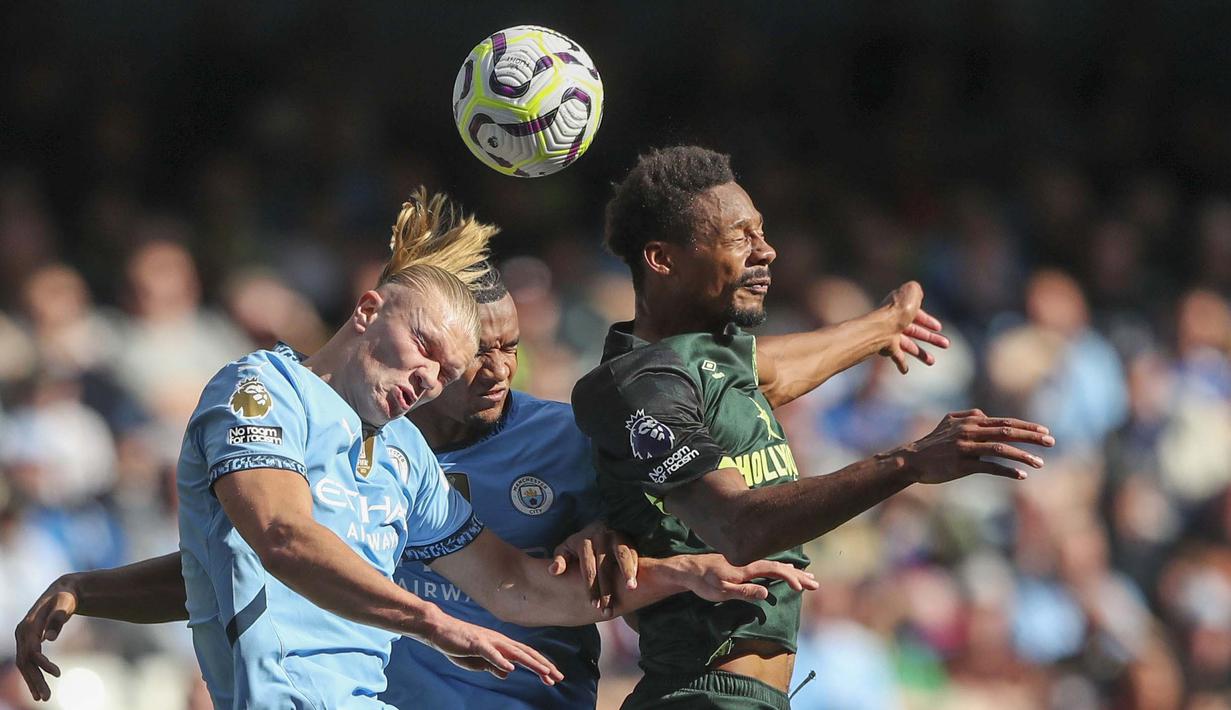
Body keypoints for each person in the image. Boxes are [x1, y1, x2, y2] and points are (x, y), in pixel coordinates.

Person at [14, 190, 816, 710]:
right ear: (368, 309)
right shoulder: (261, 390)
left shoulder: (405, 460)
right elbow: (279, 540)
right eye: (425, 349)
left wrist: (684, 572)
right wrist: (436, 623)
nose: (427, 379)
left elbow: (515, 586)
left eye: (444, 370)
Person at [570, 146, 1056, 709]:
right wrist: (909, 462)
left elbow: (781, 368)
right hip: (700, 695)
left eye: (763, 232)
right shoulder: (638, 385)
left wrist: (881, 325)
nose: (766, 250)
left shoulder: (710, 362)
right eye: (740, 236)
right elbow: (739, 527)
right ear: (662, 258)